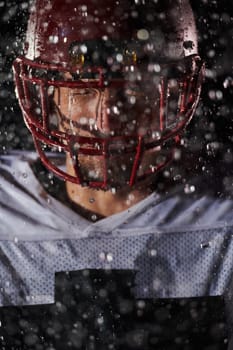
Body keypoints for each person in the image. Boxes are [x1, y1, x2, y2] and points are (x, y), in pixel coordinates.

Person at [1, 0, 233, 348]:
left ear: (173, 95)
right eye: (82, 89)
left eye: (136, 89)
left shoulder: (224, 216)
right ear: (50, 95)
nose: (106, 121)